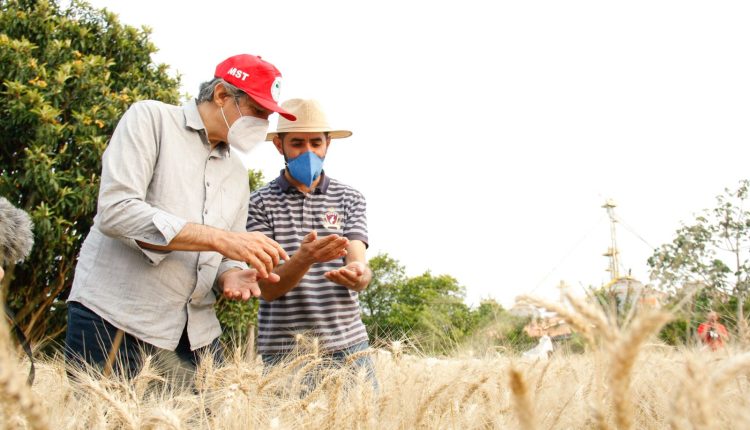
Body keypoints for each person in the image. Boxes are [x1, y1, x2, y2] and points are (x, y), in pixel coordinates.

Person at [65, 54, 296, 382]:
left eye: (268, 116)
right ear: (221, 95)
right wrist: (220, 239)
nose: (263, 124)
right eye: (257, 111)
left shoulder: (237, 173)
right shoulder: (151, 119)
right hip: (115, 320)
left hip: (196, 334)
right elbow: (116, 212)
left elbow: (226, 253)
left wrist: (229, 275)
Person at [246, 99, 375, 381]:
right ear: (279, 146)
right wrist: (306, 258)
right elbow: (267, 289)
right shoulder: (257, 204)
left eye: (316, 143)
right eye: (297, 143)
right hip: (284, 352)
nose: (308, 152)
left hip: (349, 345)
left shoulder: (350, 198)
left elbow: (359, 264)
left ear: (328, 143)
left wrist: (358, 274)